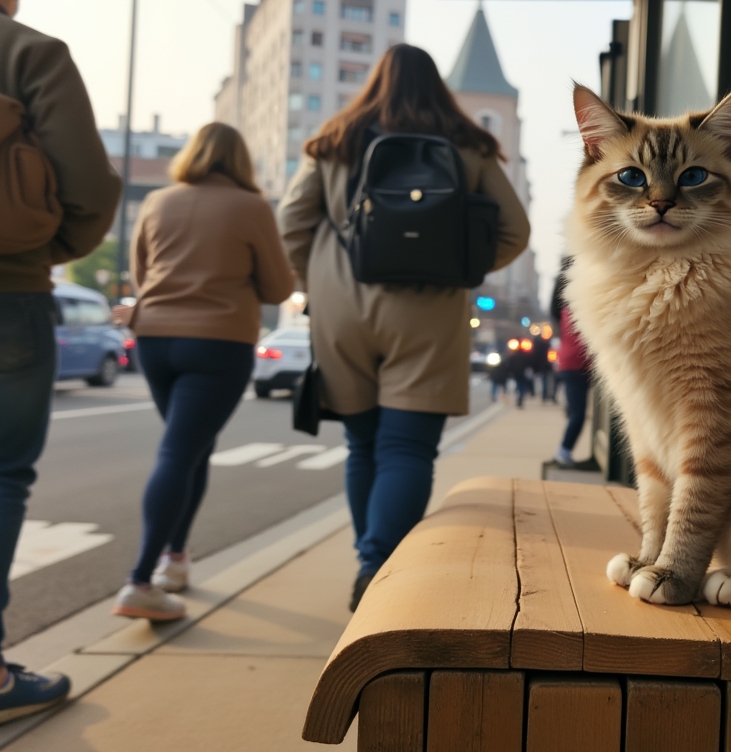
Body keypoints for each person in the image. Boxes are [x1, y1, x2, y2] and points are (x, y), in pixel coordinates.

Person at [278, 44, 530, 612]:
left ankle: (366, 556)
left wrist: (315, 282)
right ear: (438, 87)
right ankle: (378, 565)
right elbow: (513, 230)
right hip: (430, 308)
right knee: (408, 449)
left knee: (361, 442)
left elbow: (292, 223)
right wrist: (459, 264)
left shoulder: (332, 142)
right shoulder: (469, 146)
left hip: (343, 304)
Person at [0, 0, 121, 722]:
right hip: (8, 294)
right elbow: (89, 186)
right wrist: (51, 249)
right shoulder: (29, 52)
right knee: (2, 473)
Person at [110, 123, 295, 621]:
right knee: (180, 450)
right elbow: (278, 288)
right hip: (219, 340)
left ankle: (176, 560)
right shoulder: (252, 207)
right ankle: (141, 580)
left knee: (192, 447)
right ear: (240, 161)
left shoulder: (158, 202)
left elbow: (140, 275)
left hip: (154, 339)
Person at [550, 258, 597, 470]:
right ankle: (563, 451)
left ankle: (564, 451)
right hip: (578, 365)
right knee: (578, 413)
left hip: (568, 364)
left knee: (575, 411)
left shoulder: (563, 312)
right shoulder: (579, 312)